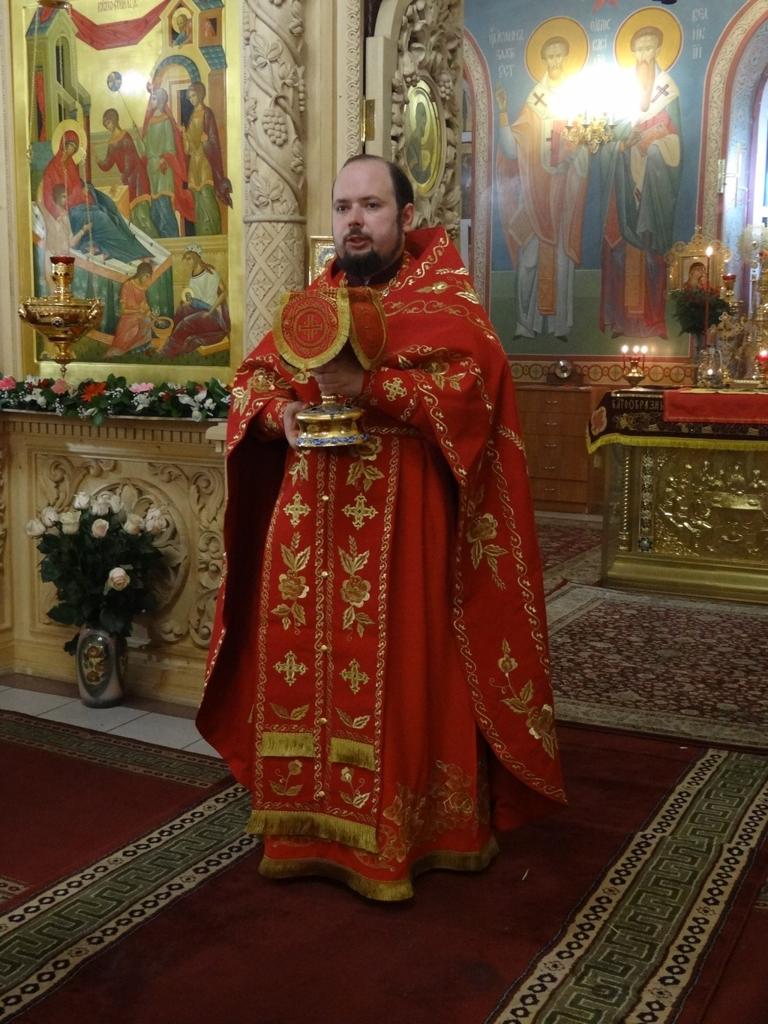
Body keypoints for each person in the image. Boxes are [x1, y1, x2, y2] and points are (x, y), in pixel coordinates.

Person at [197, 155, 565, 901]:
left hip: (406, 522)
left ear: (405, 215)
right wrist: (282, 414)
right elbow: (253, 382)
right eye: (343, 208)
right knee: (307, 668)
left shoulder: (444, 298)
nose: (354, 222)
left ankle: (411, 833)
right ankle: (306, 827)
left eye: (370, 206)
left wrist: (372, 387)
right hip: (311, 525)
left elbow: (473, 392)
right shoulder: (315, 300)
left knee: (403, 670)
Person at [494, 37, 588, 342]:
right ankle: (525, 324)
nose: (555, 61)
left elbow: (586, 152)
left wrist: (573, 157)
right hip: (535, 197)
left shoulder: (579, 103)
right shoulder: (535, 102)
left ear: (567, 59)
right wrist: (504, 114)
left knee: (561, 260)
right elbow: (511, 149)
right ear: (544, 61)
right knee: (529, 261)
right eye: (550, 56)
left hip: (563, 197)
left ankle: (561, 326)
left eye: (560, 55)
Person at [599, 25, 682, 339]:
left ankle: (653, 321)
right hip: (624, 187)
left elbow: (675, 143)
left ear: (658, 50)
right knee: (620, 251)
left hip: (652, 189)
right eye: (640, 49)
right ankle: (622, 322)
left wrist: (651, 143)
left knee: (651, 253)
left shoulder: (667, 91)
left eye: (650, 48)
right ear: (632, 53)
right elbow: (606, 141)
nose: (645, 55)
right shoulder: (620, 96)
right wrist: (622, 145)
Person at [41, 130, 153, 264]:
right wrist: (61, 212)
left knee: (108, 207)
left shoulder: (71, 164)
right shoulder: (51, 169)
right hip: (71, 212)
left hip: (81, 204)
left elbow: (77, 184)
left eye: (73, 147)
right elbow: (49, 198)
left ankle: (135, 247)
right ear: (62, 145)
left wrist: (84, 188)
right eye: (69, 145)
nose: (70, 150)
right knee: (101, 217)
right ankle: (132, 253)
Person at [141, 86, 195, 237]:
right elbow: (146, 148)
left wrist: (162, 159)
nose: (151, 101)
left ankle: (171, 238)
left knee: (164, 205)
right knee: (155, 208)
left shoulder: (165, 121)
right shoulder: (150, 122)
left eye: (153, 98)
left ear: (160, 101)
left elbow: (170, 147)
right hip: (152, 169)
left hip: (163, 168)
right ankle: (162, 241)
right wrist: (139, 140)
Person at [97, 109, 159, 239]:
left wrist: (124, 174)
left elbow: (130, 159)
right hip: (129, 180)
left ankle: (157, 242)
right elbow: (108, 164)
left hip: (138, 177)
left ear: (114, 120)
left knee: (142, 214)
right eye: (105, 124)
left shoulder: (125, 136)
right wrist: (98, 161)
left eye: (109, 122)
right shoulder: (111, 142)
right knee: (135, 217)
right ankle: (145, 244)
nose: (108, 126)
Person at [161, 243, 230, 357]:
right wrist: (188, 300)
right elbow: (194, 294)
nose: (187, 262)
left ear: (196, 258)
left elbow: (224, 292)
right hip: (199, 307)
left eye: (189, 259)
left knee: (185, 323)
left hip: (212, 313)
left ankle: (168, 352)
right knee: (181, 310)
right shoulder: (193, 274)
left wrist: (210, 312)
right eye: (186, 259)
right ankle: (172, 342)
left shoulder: (211, 272)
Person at [183, 82, 232, 235]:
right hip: (195, 161)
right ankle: (202, 233)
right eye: (190, 97)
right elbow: (190, 143)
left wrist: (206, 142)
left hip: (205, 159)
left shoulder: (207, 113)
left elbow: (213, 139)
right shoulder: (192, 116)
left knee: (206, 194)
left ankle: (213, 232)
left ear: (200, 95)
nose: (192, 99)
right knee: (197, 198)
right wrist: (184, 135)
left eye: (194, 95)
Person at [105, 261, 155, 357]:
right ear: (141, 274)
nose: (148, 279)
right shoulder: (127, 286)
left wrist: (149, 312)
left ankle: (139, 349)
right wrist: (138, 311)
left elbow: (144, 306)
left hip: (139, 316)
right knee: (137, 323)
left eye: (149, 277)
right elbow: (123, 311)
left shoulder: (142, 288)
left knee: (147, 320)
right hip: (128, 318)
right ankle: (126, 349)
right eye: (147, 276)